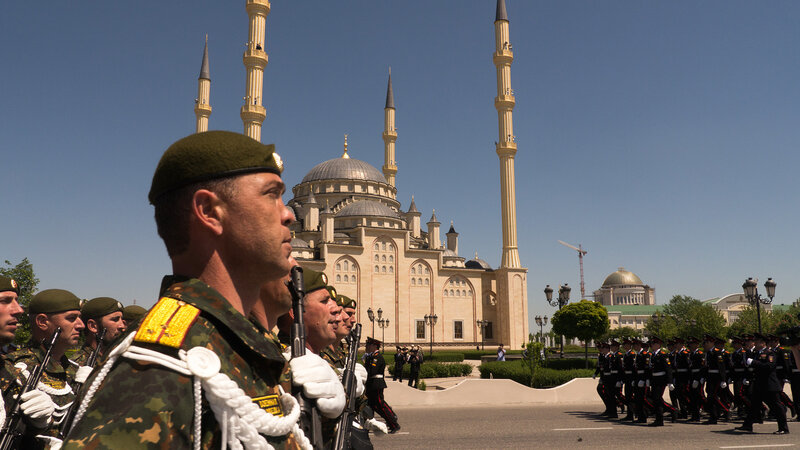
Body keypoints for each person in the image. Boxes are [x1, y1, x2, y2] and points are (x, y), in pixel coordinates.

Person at [64, 130, 343, 449]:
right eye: (271, 194)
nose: (289, 214)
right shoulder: (164, 364)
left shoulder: (230, 342)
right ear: (209, 212)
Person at [2, 288, 85, 447]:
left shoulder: (75, 370)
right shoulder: (15, 368)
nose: (80, 325)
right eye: (72, 318)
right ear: (42, 322)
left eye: (79, 318)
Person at [735, 333, 789, 435]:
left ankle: (783, 428)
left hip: (769, 385)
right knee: (754, 406)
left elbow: (769, 367)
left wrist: (754, 362)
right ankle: (747, 425)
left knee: (776, 407)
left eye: (758, 341)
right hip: (760, 385)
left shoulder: (770, 353)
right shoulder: (757, 353)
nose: (755, 343)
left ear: (763, 343)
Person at [71, 297, 126, 366]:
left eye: (122, 319)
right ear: (93, 326)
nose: (122, 326)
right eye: (115, 319)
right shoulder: (76, 366)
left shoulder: (120, 360)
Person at [364, 336, 400, 433]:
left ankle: (393, 422)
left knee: (380, 405)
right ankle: (367, 426)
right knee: (371, 406)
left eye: (368, 345)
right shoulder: (371, 357)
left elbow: (372, 371)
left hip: (376, 384)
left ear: (374, 346)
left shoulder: (377, 357)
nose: (366, 347)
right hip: (372, 384)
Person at [647, 336, 675, 426]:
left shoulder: (663, 354)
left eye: (654, 344)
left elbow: (668, 369)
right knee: (655, 399)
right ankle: (671, 410)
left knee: (657, 399)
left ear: (658, 345)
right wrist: (648, 379)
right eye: (651, 344)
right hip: (654, 380)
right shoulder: (652, 355)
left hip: (661, 380)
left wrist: (670, 382)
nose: (652, 345)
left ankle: (660, 419)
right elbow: (650, 369)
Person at [703, 335, 728, 424]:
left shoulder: (717, 352)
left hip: (716, 377)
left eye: (707, 342)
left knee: (713, 397)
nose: (705, 344)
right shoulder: (708, 353)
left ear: (711, 343)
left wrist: (723, 380)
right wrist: (703, 377)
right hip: (710, 377)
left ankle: (725, 410)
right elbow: (706, 367)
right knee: (710, 397)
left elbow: (721, 367)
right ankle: (713, 416)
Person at [687, 336, 706, 422]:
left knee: (699, 396)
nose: (691, 346)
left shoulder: (700, 354)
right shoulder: (691, 354)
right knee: (693, 397)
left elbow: (702, 367)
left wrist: (699, 378)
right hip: (692, 376)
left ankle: (708, 410)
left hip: (697, 377)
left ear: (696, 344)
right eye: (690, 344)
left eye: (692, 344)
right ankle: (695, 415)